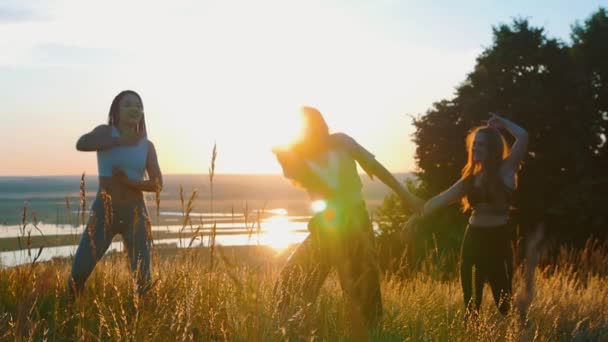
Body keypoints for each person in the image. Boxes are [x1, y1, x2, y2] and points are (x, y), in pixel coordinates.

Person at [272, 106, 422, 329]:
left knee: (364, 295)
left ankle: (369, 333)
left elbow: (377, 169)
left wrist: (407, 196)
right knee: (291, 280)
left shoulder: (342, 141)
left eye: (314, 124)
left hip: (355, 222)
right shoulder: (298, 154)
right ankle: (297, 330)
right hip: (326, 224)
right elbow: (311, 187)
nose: (312, 129)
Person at [402, 113, 528, 316]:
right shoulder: (470, 179)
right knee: (471, 299)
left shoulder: (507, 169)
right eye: (474, 144)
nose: (475, 148)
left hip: (498, 239)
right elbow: (441, 199)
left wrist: (503, 123)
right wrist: (415, 216)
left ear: (493, 148)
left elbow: (523, 136)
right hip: (473, 239)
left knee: (504, 301)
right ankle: (473, 332)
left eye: (481, 145)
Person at [68, 90, 162, 296]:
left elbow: (157, 184)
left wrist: (129, 182)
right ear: (116, 111)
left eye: (139, 105)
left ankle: (143, 322)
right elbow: (82, 143)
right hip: (104, 213)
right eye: (128, 104)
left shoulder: (147, 146)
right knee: (78, 275)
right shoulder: (105, 132)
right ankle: (72, 316)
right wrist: (114, 141)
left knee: (144, 281)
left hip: (136, 214)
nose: (135, 109)